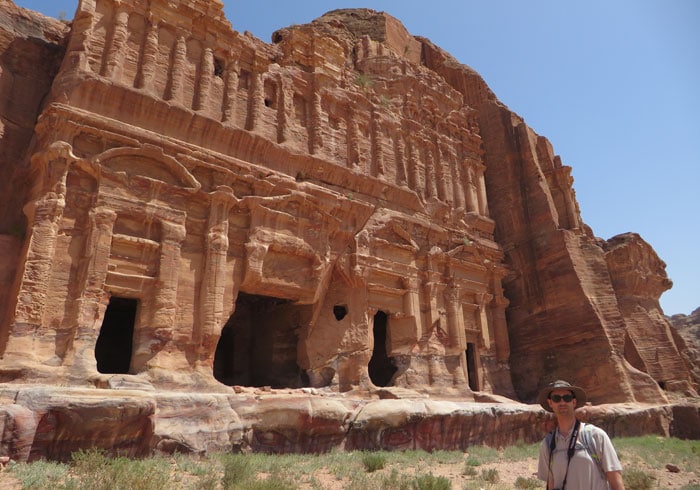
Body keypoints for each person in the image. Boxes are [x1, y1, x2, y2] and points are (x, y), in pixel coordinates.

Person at [536, 380, 625, 490]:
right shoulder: (548, 444)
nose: (562, 402)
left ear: (573, 402)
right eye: (556, 398)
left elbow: (616, 481)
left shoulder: (595, 436)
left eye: (567, 398)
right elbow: (551, 484)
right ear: (550, 403)